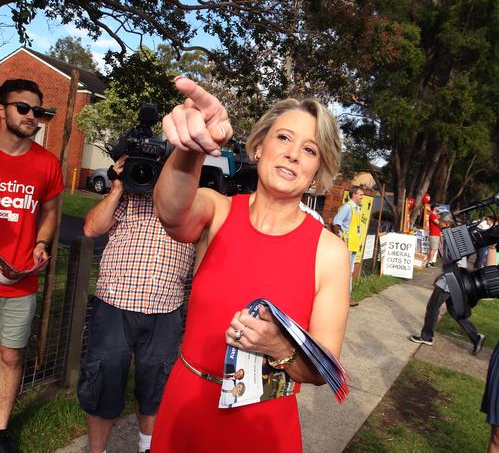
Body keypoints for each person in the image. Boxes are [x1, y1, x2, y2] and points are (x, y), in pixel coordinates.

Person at [150, 78, 350, 452]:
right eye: (284, 138)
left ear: (318, 172)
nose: (293, 154)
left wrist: (279, 347)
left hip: (262, 429)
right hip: (187, 407)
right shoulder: (218, 210)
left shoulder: (330, 252)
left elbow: (324, 370)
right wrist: (193, 148)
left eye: (310, 149)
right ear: (258, 147)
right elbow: (171, 212)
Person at [77, 154, 194, 453]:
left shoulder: (190, 202)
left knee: (156, 387)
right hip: (115, 304)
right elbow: (91, 228)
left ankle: (147, 448)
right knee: (103, 381)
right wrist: (117, 187)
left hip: (166, 308)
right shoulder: (130, 194)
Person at [0, 79, 63, 453]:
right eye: (23, 108)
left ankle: (2, 429)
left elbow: (52, 211)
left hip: (19, 279)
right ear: (2, 109)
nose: (32, 116)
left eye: (37, 111)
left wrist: (40, 242)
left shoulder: (47, 163)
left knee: (11, 355)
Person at [409, 275, 486, 355]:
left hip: (446, 283)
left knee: (433, 308)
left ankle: (426, 337)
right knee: (455, 311)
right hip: (456, 284)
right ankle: (476, 337)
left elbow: (453, 266)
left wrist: (440, 277)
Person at [331, 185, 364, 306]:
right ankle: (344, 299)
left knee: (348, 272)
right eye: (361, 194)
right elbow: (336, 223)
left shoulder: (356, 208)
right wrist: (340, 240)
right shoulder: (347, 207)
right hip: (347, 245)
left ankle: (345, 298)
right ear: (354, 194)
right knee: (345, 273)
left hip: (353, 245)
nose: (362, 197)